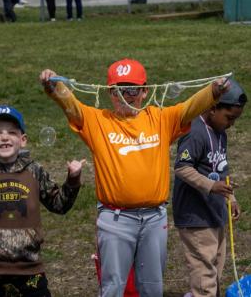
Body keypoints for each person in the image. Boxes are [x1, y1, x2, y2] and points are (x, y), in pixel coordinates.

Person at [40, 58, 231, 297]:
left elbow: (189, 107)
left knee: (152, 288)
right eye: (116, 90)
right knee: (112, 287)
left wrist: (213, 91)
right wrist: (53, 86)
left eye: (130, 89)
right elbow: (73, 106)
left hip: (154, 219)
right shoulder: (97, 120)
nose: (124, 96)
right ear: (109, 93)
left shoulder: (160, 119)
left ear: (144, 91)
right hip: (114, 218)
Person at [0, 105, 85, 297]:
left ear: (23, 140)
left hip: (31, 273)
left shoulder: (34, 171)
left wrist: (73, 179)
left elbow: (59, 204)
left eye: (12, 132)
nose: (4, 137)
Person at [172, 79, 247, 297]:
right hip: (196, 216)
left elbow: (222, 169)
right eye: (229, 118)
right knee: (204, 273)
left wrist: (230, 198)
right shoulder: (195, 131)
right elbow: (182, 168)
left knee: (216, 266)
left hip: (215, 213)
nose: (231, 124)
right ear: (212, 108)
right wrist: (210, 186)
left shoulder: (220, 133)